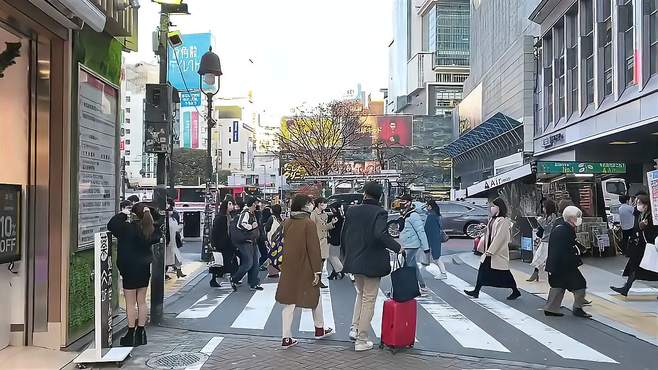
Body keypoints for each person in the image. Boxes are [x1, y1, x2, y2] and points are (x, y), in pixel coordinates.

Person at [341, 181, 403, 352]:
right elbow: (379, 234)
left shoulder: (352, 211)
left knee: (361, 294)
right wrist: (398, 247)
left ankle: (354, 329)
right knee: (369, 298)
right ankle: (361, 339)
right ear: (380, 196)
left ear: (364, 194)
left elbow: (344, 234)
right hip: (371, 262)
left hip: (354, 260)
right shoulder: (380, 212)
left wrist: (346, 256)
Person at [275, 194, 334, 349]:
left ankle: (286, 337)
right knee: (315, 295)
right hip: (306, 266)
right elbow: (313, 249)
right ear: (303, 206)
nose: (311, 205)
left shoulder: (287, 222)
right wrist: (317, 271)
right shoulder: (308, 223)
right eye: (309, 203)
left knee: (289, 301)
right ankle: (319, 328)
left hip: (288, 266)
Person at [108, 202, 160, 346]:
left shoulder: (126, 228)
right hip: (143, 268)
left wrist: (124, 213)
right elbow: (158, 225)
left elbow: (111, 225)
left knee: (130, 303)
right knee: (142, 301)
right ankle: (141, 333)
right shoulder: (149, 229)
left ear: (134, 214)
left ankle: (131, 334)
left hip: (129, 269)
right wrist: (149, 212)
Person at [465, 198, 521, 300]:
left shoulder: (503, 221)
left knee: (504, 273)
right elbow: (490, 232)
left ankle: (515, 290)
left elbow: (500, 237)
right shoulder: (493, 219)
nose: (491, 208)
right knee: (483, 270)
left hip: (496, 252)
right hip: (490, 251)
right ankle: (476, 290)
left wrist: (491, 250)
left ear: (499, 208)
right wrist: (484, 229)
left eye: (493, 206)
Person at [544, 206, 592, 318]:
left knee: (558, 286)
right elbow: (565, 249)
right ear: (571, 218)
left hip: (556, 266)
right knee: (580, 285)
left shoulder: (562, 227)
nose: (580, 219)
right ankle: (577, 308)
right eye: (578, 217)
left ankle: (551, 309)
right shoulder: (563, 230)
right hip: (564, 266)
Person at [611, 194, 658, 297]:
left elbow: (653, 232)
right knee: (635, 268)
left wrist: (645, 227)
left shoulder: (652, 216)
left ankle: (626, 288)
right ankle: (626, 288)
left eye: (639, 203)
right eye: (636, 203)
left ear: (646, 205)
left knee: (649, 269)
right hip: (640, 246)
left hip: (649, 246)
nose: (637, 205)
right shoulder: (641, 214)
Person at [398, 194, 430, 295]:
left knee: (405, 266)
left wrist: (426, 248)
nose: (402, 203)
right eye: (401, 201)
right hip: (406, 244)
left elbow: (421, 231)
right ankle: (423, 287)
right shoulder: (404, 213)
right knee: (413, 267)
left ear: (409, 202)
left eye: (404, 201)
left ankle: (401, 289)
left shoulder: (414, 215)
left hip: (412, 245)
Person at [230, 196, 263, 291]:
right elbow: (241, 224)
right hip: (246, 241)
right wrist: (251, 226)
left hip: (252, 241)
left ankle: (254, 283)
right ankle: (235, 278)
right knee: (248, 263)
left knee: (255, 263)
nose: (258, 205)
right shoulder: (246, 213)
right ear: (253, 204)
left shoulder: (252, 213)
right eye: (257, 203)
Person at [528, 199, 558, 282]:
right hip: (546, 240)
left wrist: (540, 220)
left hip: (548, 241)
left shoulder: (552, 217)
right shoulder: (549, 216)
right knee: (542, 257)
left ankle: (536, 273)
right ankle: (536, 273)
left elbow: (547, 227)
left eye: (544, 207)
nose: (543, 209)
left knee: (540, 256)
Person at [210, 199, 238, 287]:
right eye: (229, 204)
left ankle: (232, 278)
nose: (231, 206)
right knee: (220, 262)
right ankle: (230, 278)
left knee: (229, 261)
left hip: (228, 243)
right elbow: (214, 232)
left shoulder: (229, 216)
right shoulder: (220, 217)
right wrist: (214, 244)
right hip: (221, 244)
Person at [310, 197, 336, 289]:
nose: (325, 205)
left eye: (325, 203)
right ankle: (316, 280)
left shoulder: (324, 214)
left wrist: (332, 223)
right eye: (323, 203)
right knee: (317, 262)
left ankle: (318, 280)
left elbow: (324, 227)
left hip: (324, 241)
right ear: (318, 204)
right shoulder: (313, 214)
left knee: (321, 261)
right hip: (316, 241)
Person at [425, 199, 447, 280]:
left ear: (430, 206)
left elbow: (427, 229)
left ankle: (443, 273)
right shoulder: (437, 215)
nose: (426, 207)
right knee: (436, 257)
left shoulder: (431, 216)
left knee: (436, 258)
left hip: (433, 239)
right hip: (436, 238)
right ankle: (443, 273)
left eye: (427, 206)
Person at [327, 203, 345, 280]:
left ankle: (340, 270)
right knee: (335, 256)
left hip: (334, 238)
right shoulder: (341, 216)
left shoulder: (335, 217)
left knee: (332, 256)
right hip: (339, 238)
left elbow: (330, 227)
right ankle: (336, 272)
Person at [266, 204, 284, 278]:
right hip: (279, 239)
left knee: (271, 254)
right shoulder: (280, 218)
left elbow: (267, 228)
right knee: (278, 254)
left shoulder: (271, 218)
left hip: (272, 239)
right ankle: (277, 269)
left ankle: (273, 272)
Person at [165, 211, 184, 280]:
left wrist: (181, 226)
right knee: (166, 260)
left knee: (177, 258)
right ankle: (165, 274)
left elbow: (177, 230)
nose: (171, 211)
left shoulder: (173, 219)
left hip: (173, 241)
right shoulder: (164, 220)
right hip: (168, 242)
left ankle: (179, 271)